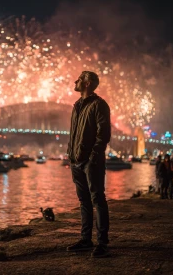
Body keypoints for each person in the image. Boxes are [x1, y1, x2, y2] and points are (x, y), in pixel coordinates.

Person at [66, 71, 111, 258]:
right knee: (84, 201)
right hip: (76, 161)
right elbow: (73, 134)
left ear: (87, 83)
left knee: (97, 200)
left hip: (90, 162)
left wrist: (93, 157)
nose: (75, 81)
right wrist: (71, 155)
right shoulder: (77, 106)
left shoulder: (99, 105)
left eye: (79, 79)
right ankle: (86, 239)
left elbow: (104, 134)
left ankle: (102, 242)